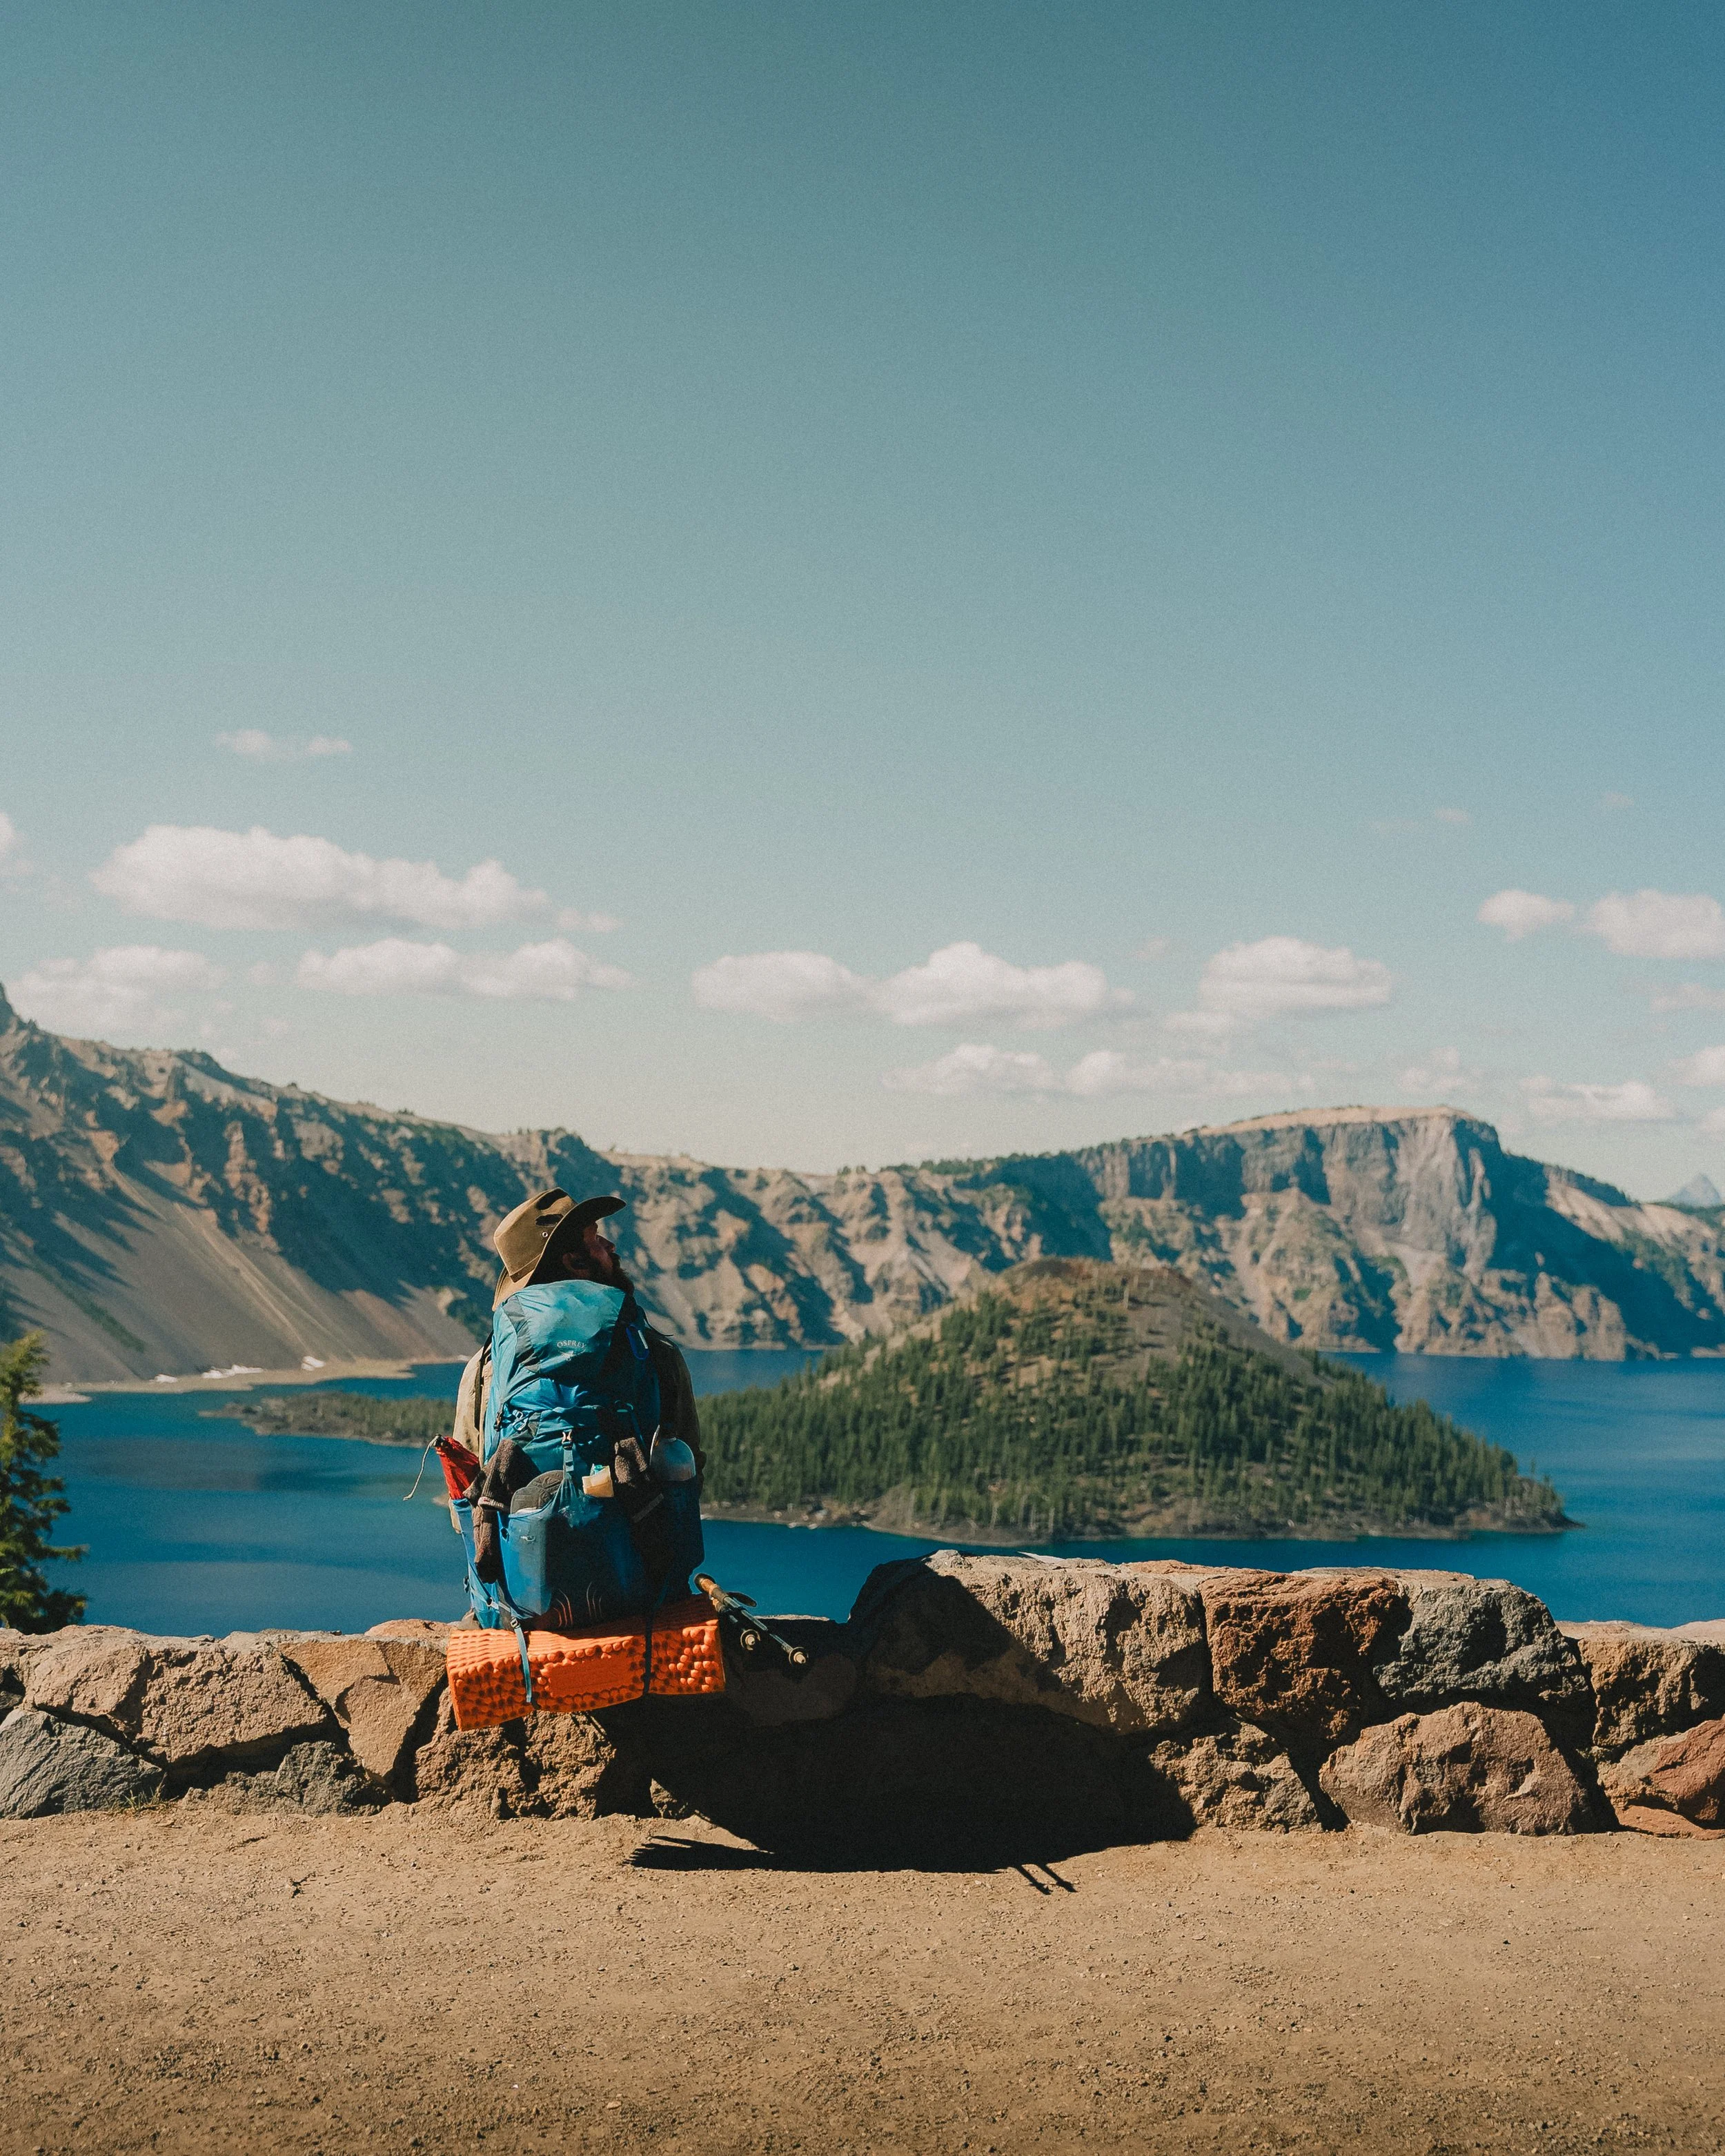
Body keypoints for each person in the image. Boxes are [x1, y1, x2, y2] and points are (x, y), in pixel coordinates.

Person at [451, 1187, 703, 1470]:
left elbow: (467, 1479)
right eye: (595, 1238)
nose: (610, 1246)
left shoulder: (487, 1367)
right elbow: (687, 1463)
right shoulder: (650, 1351)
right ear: (575, 1262)